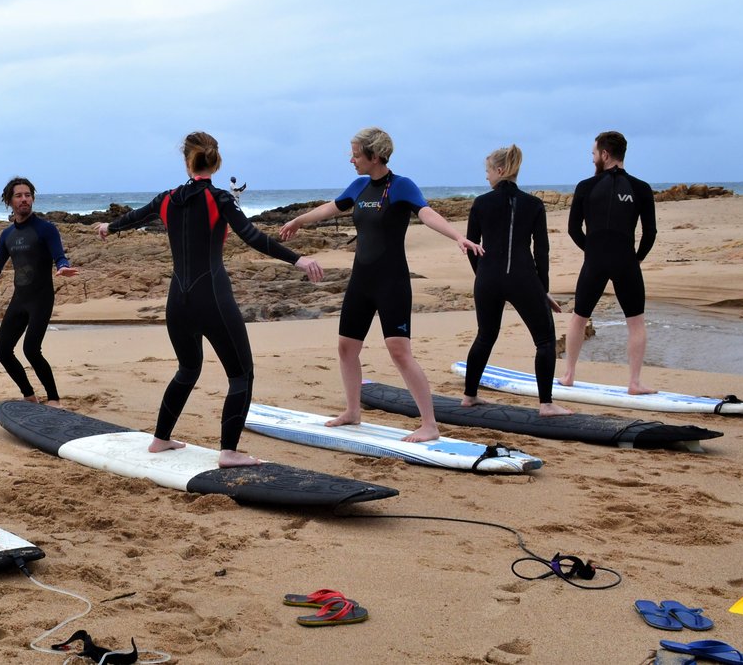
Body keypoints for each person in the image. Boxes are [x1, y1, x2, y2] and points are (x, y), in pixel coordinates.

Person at [97, 132, 324, 467]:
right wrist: (299, 260)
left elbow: (134, 219)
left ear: (186, 159)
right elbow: (253, 237)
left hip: (178, 301)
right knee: (241, 375)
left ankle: (161, 438)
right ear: (216, 162)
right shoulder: (220, 199)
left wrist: (108, 227)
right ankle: (229, 452)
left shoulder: (166, 198)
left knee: (187, 369)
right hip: (213, 298)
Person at [279, 127, 482, 441]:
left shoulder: (401, 186)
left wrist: (458, 236)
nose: (351, 160)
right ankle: (352, 411)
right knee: (346, 347)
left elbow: (426, 213)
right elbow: (330, 208)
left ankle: (429, 424)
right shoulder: (359, 186)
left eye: (357, 154)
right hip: (361, 281)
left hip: (392, 281)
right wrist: (298, 220)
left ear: (375, 156)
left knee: (399, 351)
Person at [459, 145, 572, 417]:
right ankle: (546, 404)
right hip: (523, 278)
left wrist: (483, 274)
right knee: (544, 340)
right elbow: (541, 251)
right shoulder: (534, 204)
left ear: (499, 171)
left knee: (485, 336)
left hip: (488, 279)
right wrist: (542, 289)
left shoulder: (481, 203)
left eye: (487, 171)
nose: (486, 177)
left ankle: (469, 396)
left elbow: (471, 246)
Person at [562, 130, 658, 393]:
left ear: (604, 154)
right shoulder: (641, 188)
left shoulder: (585, 187)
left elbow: (573, 229)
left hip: (594, 261)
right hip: (626, 260)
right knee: (636, 322)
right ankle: (634, 382)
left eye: (593, 153)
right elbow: (650, 233)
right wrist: (635, 258)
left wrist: (592, 250)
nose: (592, 158)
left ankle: (569, 375)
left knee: (579, 318)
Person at [0, 177, 79, 405]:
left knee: (31, 349)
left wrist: (63, 267)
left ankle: (53, 399)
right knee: (3, 351)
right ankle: (29, 396)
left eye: (27, 195)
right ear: (9, 201)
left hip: (41, 298)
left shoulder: (46, 229)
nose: (24, 199)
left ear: (32, 198)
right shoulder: (7, 235)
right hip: (19, 299)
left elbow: (59, 256)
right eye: (18, 195)